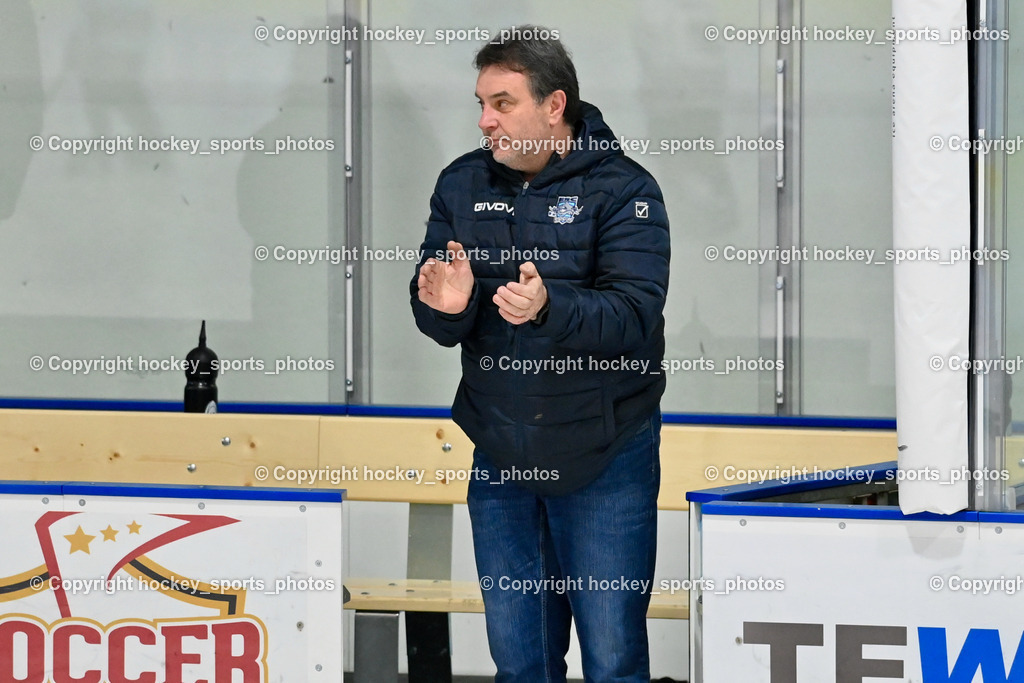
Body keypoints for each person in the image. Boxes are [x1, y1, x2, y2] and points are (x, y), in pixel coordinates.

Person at [410, 26, 670, 682]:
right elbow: (439, 311)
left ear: (553, 107)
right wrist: (446, 307)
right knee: (521, 660)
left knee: (612, 659)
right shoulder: (461, 185)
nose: (484, 119)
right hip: (502, 456)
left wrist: (550, 308)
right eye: (481, 102)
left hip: (604, 456)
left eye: (502, 103)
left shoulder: (626, 191)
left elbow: (635, 315)